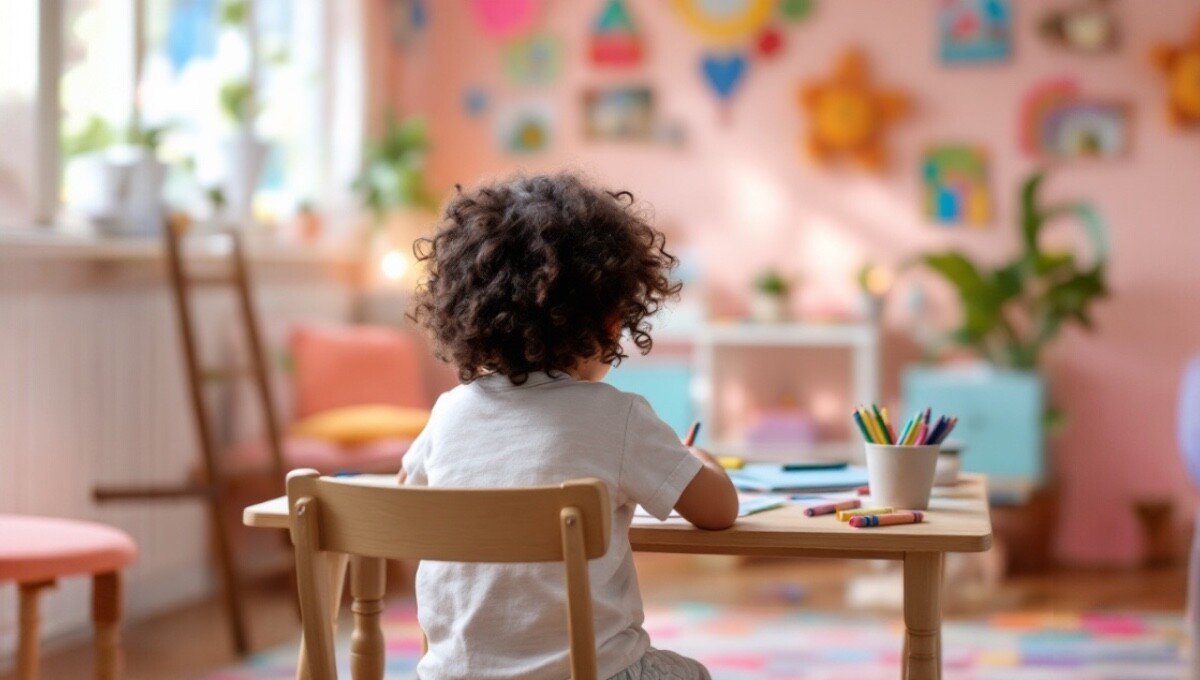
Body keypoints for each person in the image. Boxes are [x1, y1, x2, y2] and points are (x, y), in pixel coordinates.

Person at [398, 173, 738, 679]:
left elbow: (407, 498)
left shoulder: (448, 413)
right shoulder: (616, 416)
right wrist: (696, 459)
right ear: (610, 321)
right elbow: (719, 510)